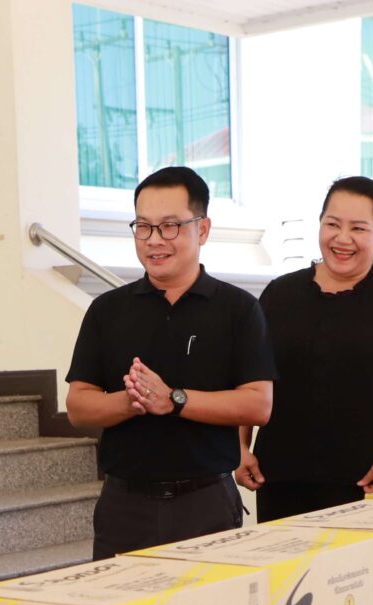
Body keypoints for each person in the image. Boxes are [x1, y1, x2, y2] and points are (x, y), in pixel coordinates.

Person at [66, 166, 276, 558]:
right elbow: (78, 406)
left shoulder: (239, 309)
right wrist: (131, 402)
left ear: (203, 229)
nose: (154, 240)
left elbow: (258, 405)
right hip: (124, 506)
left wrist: (174, 399)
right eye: (143, 227)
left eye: (169, 226)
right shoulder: (107, 311)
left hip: (206, 501)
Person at [239, 176, 373, 521]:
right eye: (332, 224)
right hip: (283, 484)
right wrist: (240, 447)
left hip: (372, 485)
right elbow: (250, 379)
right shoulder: (280, 294)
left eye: (358, 228)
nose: (342, 239)